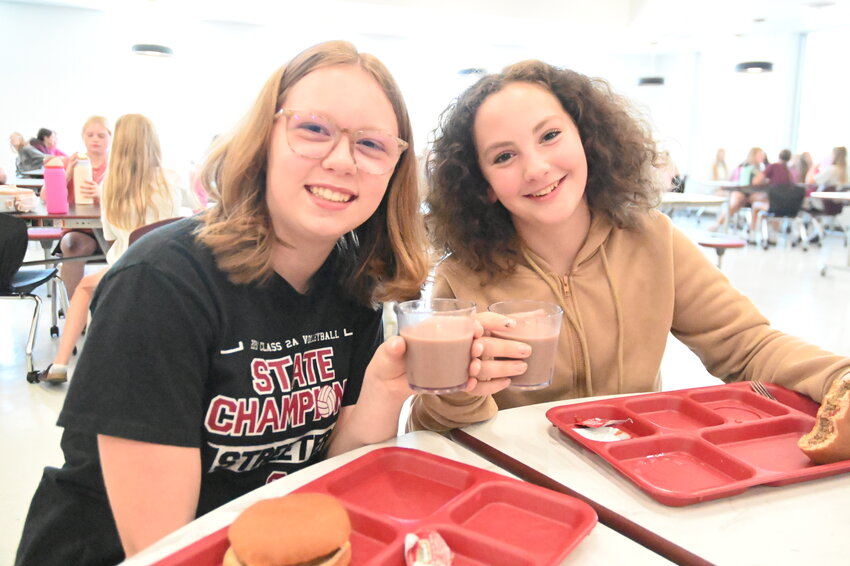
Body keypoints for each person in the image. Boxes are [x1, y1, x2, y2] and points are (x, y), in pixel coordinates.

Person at [15, 40, 502, 566]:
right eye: (313, 129)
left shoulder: (354, 285)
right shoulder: (159, 284)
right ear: (264, 137)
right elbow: (162, 547)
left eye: (372, 144)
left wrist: (384, 390)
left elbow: (327, 471)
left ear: (393, 172)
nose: (341, 160)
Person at [407, 60, 850, 436]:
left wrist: (838, 378)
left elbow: (746, 346)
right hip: (523, 488)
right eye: (504, 156)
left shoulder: (653, 239)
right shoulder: (461, 278)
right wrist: (463, 391)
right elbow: (431, 432)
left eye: (550, 136)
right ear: (483, 185)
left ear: (586, 138)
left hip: (639, 472)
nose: (537, 168)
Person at [36, 114, 196, 384]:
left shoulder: (109, 184)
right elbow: (192, 219)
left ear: (117, 142)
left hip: (128, 268)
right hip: (171, 269)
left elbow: (110, 237)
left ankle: (60, 364)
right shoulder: (173, 178)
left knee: (86, 287)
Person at [55, 116, 112, 300]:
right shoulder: (68, 163)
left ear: (110, 138)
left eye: (101, 135)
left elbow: (129, 201)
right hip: (79, 230)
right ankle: (74, 312)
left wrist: (101, 195)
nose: (95, 139)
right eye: (91, 135)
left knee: (127, 249)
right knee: (72, 245)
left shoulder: (117, 166)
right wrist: (67, 175)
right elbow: (46, 198)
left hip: (111, 230)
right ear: (83, 137)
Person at [710, 147, 768, 236]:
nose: (762, 157)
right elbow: (745, 184)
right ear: (754, 155)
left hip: (752, 194)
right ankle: (717, 225)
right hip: (741, 191)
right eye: (760, 154)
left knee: (759, 202)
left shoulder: (761, 167)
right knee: (735, 203)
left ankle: (752, 232)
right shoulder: (745, 166)